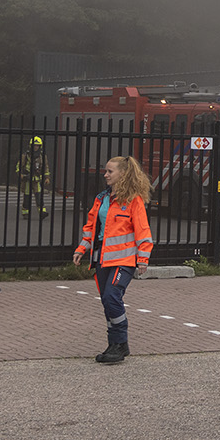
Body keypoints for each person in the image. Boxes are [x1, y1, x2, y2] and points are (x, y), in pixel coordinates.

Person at [73, 155, 153, 364]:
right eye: (106, 171)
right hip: (102, 260)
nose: (105, 174)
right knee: (108, 303)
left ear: (123, 174)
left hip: (124, 260)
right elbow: (91, 226)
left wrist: (143, 258)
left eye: (110, 171)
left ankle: (120, 343)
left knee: (111, 296)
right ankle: (114, 344)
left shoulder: (133, 201)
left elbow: (143, 231)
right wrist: (82, 248)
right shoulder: (101, 198)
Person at [15, 135, 51, 217]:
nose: (36, 147)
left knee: (38, 196)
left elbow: (46, 167)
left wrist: (47, 178)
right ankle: (25, 212)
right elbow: (18, 167)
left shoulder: (42, 157)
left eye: (37, 146)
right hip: (27, 179)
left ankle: (42, 212)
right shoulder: (25, 156)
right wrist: (21, 175)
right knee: (27, 197)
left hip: (37, 179)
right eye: (34, 145)